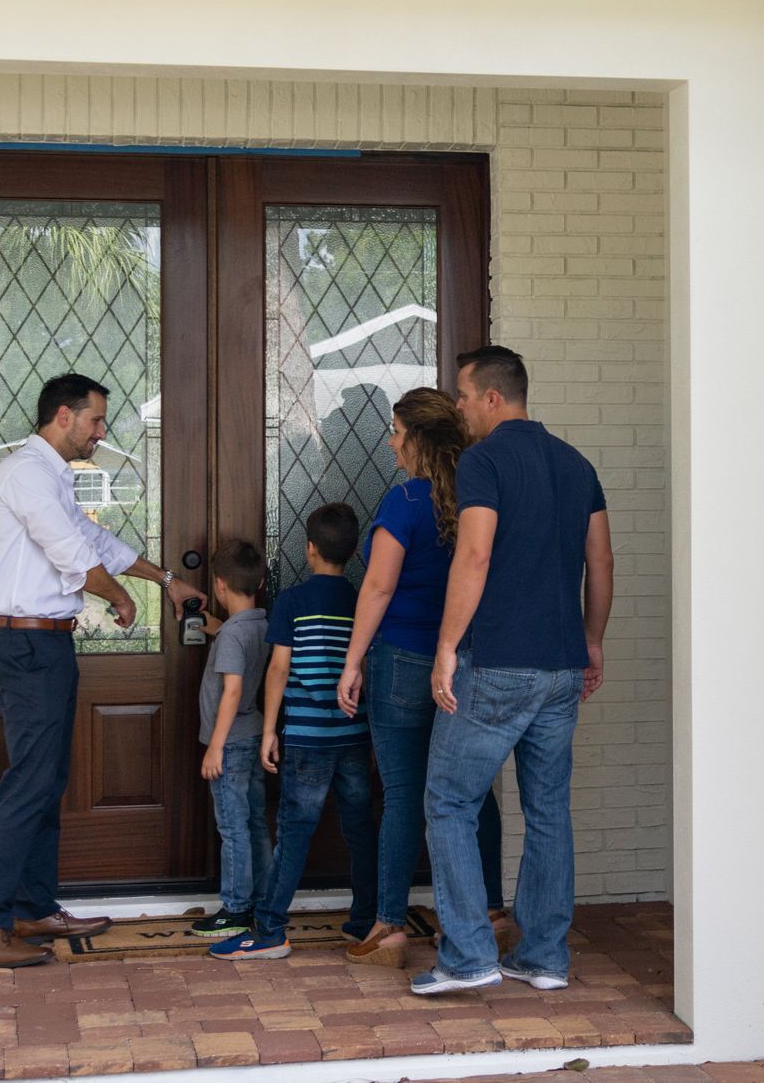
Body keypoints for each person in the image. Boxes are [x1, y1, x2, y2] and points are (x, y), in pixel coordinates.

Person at [0, 372, 205, 969]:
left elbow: (93, 538)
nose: (101, 432)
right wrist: (120, 598)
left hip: (45, 645)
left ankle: (33, 908)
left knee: (46, 780)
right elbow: (71, 554)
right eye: (95, 420)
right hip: (27, 645)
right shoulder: (26, 473)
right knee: (29, 782)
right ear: (64, 416)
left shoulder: (51, 476)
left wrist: (166, 581)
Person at [411, 347, 615, 996]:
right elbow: (601, 562)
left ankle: (469, 956)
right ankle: (545, 956)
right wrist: (592, 640)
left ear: (493, 398)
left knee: (450, 800)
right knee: (548, 808)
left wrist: (447, 645)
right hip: (561, 666)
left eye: (464, 395)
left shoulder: (485, 460)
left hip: (498, 660)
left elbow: (473, 555)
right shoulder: (577, 465)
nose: (460, 407)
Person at [335, 388, 509, 969]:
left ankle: (388, 926)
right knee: (471, 789)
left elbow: (379, 586)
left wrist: (352, 660)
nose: (390, 443)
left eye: (396, 432)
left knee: (406, 793)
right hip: (465, 661)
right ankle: (491, 913)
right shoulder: (479, 495)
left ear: (417, 438)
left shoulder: (406, 499)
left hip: (405, 661)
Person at [210, 502, 378, 961]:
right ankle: (366, 920)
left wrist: (270, 730)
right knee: (361, 829)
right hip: (353, 734)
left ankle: (269, 930)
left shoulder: (292, 602)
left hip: (306, 737)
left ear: (309, 549)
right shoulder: (363, 600)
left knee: (295, 832)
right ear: (354, 552)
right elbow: (366, 667)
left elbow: (279, 669)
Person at [189, 540, 273, 935]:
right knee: (255, 822)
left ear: (219, 585)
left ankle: (236, 908)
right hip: (253, 734)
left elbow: (233, 691)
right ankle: (263, 899)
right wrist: (217, 628)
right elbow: (242, 644)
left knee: (233, 826)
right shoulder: (259, 624)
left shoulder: (232, 637)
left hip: (231, 743)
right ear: (259, 583)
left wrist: (215, 747)